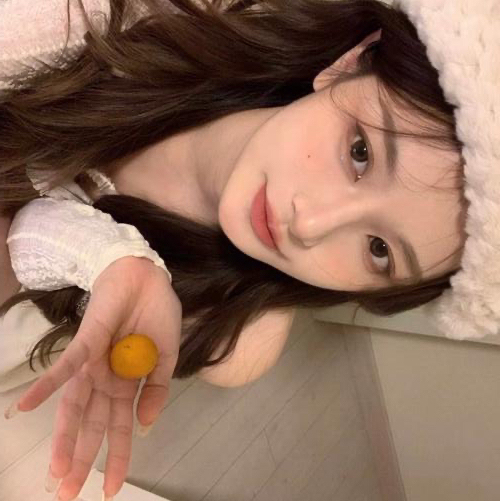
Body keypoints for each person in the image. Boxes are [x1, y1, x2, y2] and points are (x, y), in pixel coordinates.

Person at [0, 0, 497, 499]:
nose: (311, 224)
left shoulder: (228, 335)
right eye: (360, 152)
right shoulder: (134, 18)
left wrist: (108, 259)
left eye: (379, 249)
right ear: (350, 62)